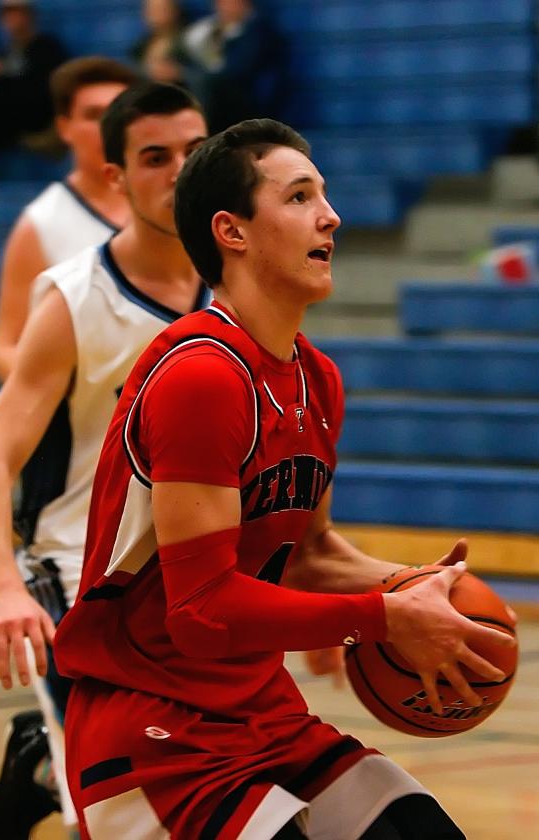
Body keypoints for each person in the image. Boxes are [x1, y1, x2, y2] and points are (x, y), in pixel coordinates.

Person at [54, 118, 515, 839]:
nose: (330, 215)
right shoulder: (201, 375)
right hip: (152, 729)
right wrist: (385, 617)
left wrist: (424, 591)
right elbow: (202, 611)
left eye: (324, 195)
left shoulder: (317, 380)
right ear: (232, 232)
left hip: (259, 712)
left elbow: (311, 555)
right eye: (299, 196)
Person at [0, 81, 209, 839]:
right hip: (80, 575)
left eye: (195, 154)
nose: (179, 172)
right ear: (115, 177)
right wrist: (3, 587)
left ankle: (41, 760)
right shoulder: (73, 295)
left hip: (195, 578)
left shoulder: (244, 285)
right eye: (155, 157)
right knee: (123, 816)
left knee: (201, 788)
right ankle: (58, 762)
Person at [0, 55, 138, 382]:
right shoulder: (40, 224)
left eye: (119, 114)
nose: (108, 127)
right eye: (94, 115)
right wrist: (75, 388)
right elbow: (4, 347)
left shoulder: (174, 208)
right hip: (90, 423)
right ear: (64, 127)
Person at [0, 0, 67, 177]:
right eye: (6, 14)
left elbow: (44, 89)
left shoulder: (47, 47)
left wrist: (3, 77)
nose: (12, 19)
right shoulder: (4, 53)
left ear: (29, 15)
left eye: (17, 12)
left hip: (40, 117)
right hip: (9, 123)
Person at [181, 0, 285, 132]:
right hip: (218, 95)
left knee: (202, 81)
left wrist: (187, 73)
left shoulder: (259, 32)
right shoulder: (206, 29)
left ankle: (200, 133)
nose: (221, 6)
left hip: (245, 99)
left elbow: (238, 71)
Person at [130, 0, 186, 86]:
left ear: (175, 10)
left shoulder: (189, 41)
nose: (156, 14)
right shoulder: (140, 45)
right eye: (152, 10)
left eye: (163, 9)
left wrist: (179, 73)